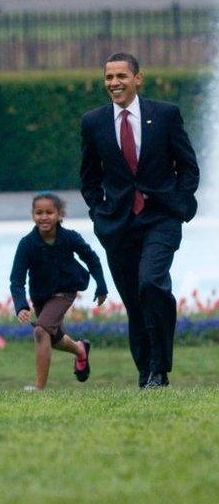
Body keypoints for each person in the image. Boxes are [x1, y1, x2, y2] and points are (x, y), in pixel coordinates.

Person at [80, 52, 200, 388]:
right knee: (134, 300)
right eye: (108, 78)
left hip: (160, 218)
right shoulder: (93, 122)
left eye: (121, 76)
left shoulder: (165, 115)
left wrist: (179, 202)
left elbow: (188, 168)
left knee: (151, 283)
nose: (114, 83)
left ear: (138, 78)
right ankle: (146, 371)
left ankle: (160, 369)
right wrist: (99, 213)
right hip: (117, 225)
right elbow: (89, 178)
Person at [10, 193, 108, 391]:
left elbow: (92, 259)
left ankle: (39, 388)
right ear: (32, 215)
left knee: (41, 330)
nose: (44, 217)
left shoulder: (70, 238)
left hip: (65, 290)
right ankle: (80, 349)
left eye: (49, 212)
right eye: (39, 212)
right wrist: (21, 305)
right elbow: (16, 280)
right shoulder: (27, 244)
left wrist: (101, 285)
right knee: (52, 338)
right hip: (41, 296)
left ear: (59, 214)